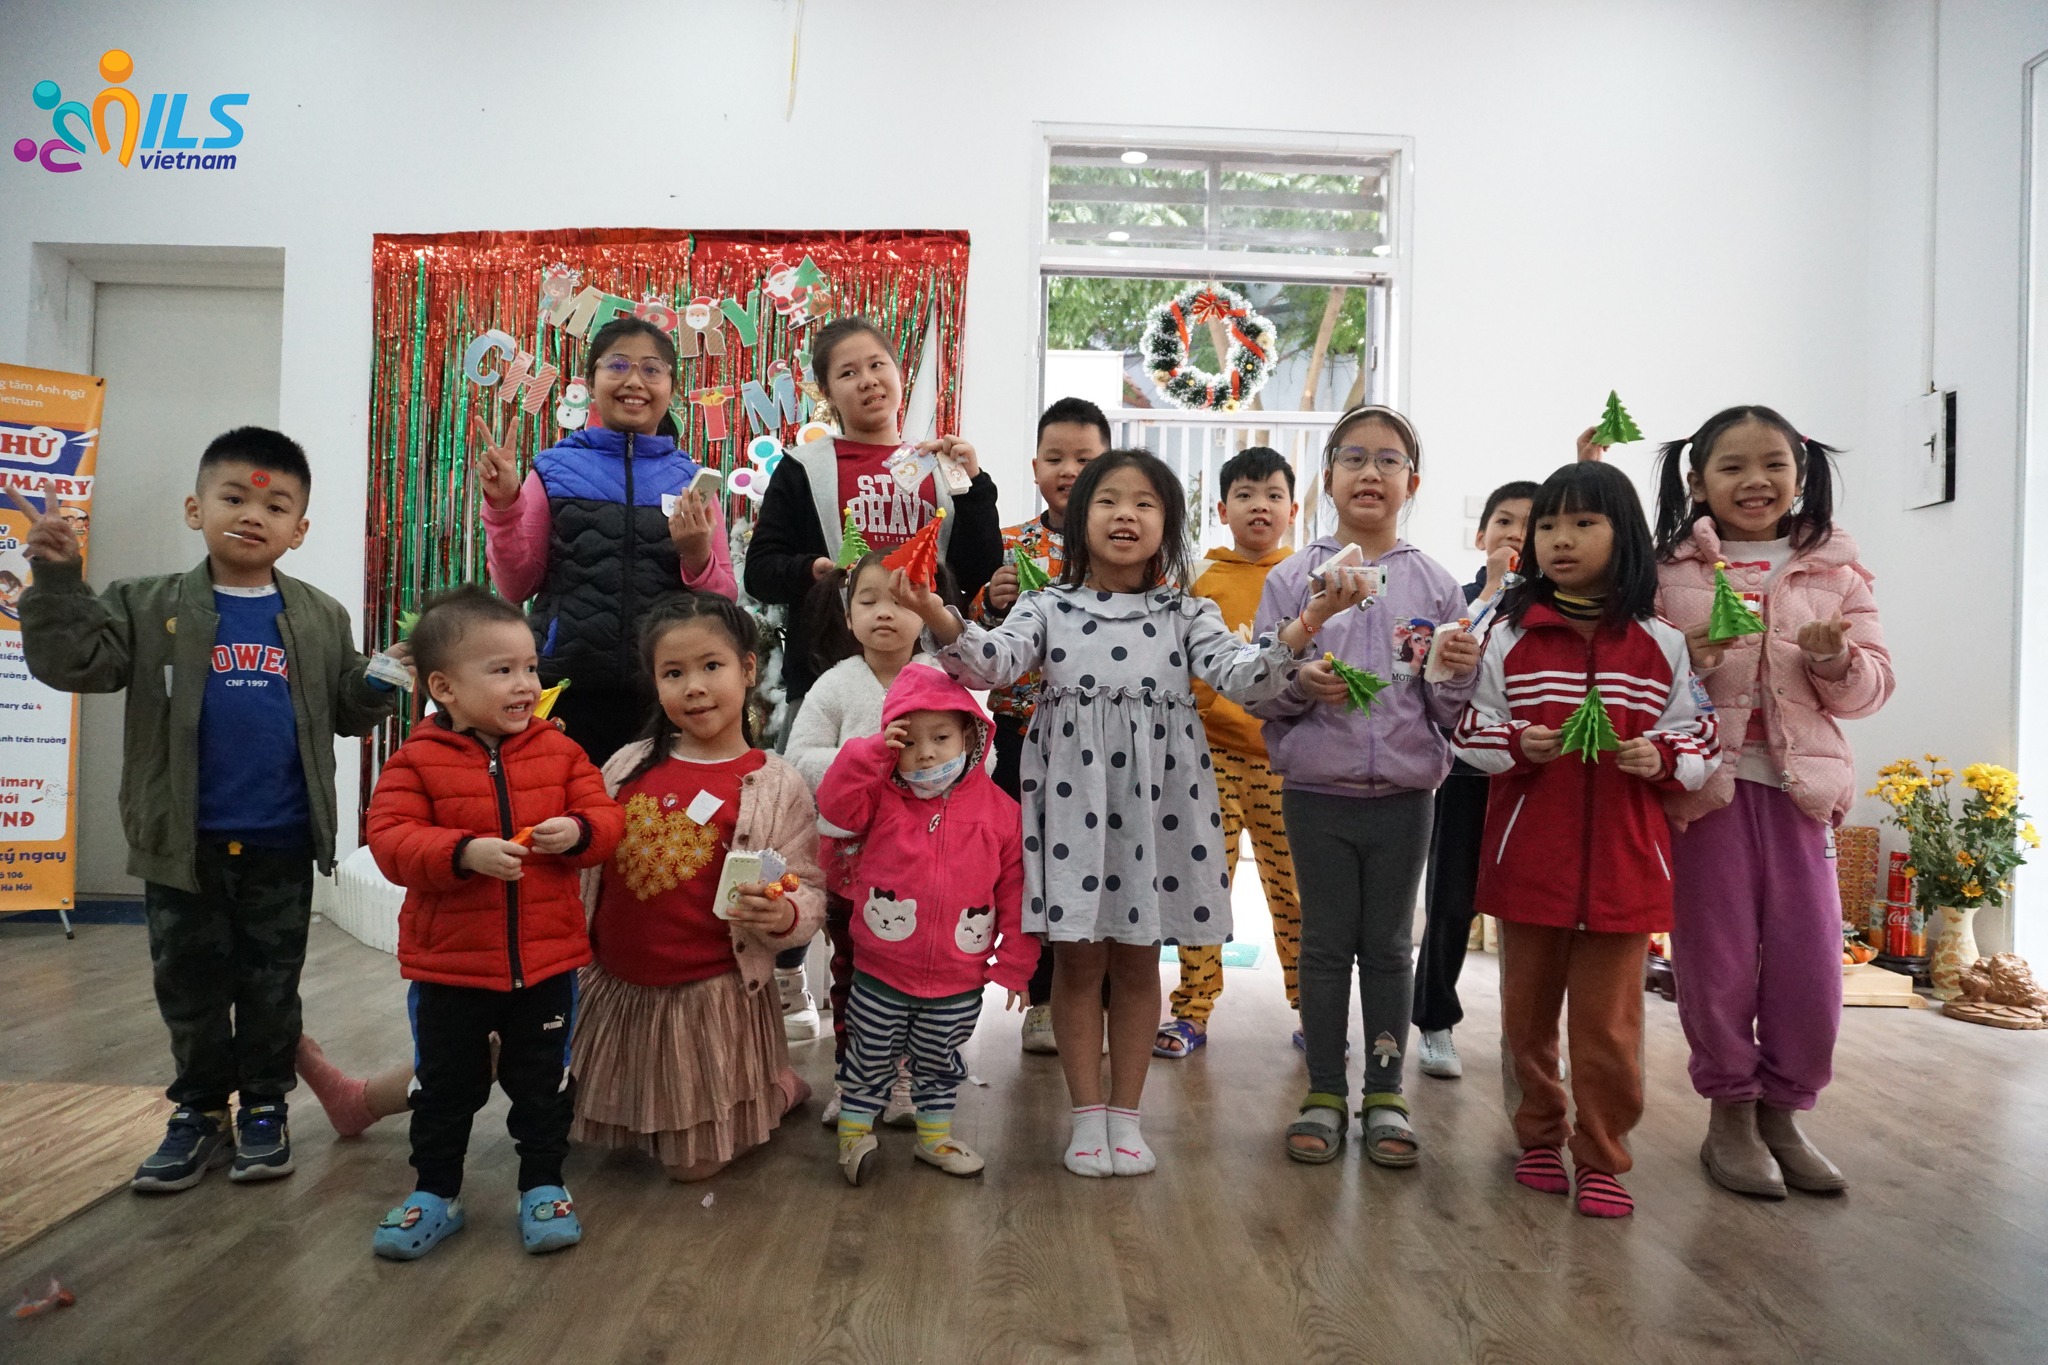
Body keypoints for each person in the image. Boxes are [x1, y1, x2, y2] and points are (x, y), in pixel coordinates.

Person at [897, 449, 1370, 1176]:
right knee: (1079, 961)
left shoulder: (1188, 612)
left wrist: (1311, 618)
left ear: (1168, 525)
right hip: (1073, 810)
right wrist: (938, 614)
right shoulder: (1048, 606)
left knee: (1141, 959)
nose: (1126, 514)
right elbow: (989, 664)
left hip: (1158, 813)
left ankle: (1126, 1115)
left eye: (1145, 502)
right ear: (1080, 521)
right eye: (1108, 500)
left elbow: (1247, 679)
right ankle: (1087, 1116)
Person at [18, 426, 401, 1192]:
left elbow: (347, 706)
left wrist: (383, 678)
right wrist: (58, 581)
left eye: (276, 505)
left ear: (299, 529)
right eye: (234, 497)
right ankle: (197, 1111)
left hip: (281, 843)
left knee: (271, 988)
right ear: (196, 509)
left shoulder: (319, 615)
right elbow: (77, 662)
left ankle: (264, 1106)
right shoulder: (145, 603)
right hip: (181, 846)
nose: (254, 514)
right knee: (189, 987)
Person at [1453, 461, 1719, 1218]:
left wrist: (1662, 756)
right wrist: (1516, 743)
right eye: (1547, 525)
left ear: (1623, 535)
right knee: (1526, 1021)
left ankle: (1602, 1154)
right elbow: (1467, 730)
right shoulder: (1507, 636)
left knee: (1610, 1029)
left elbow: (1701, 737)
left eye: (1582, 523)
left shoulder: (1662, 643)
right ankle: (1538, 1137)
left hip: (1626, 870)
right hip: (1528, 866)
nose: (1560, 540)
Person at [1652, 406, 1893, 1198]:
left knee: (1810, 965)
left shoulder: (1837, 570)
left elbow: (1871, 689)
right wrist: (1686, 659)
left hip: (1802, 797)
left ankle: (1784, 1111)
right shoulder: (1667, 572)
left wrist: (1837, 661)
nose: (1755, 480)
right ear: (1698, 481)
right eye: (1732, 466)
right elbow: (1640, 684)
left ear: (1800, 472)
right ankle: (1730, 1110)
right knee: (1714, 962)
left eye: (1773, 464)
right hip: (1705, 794)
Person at [364, 586, 625, 1260]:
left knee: (543, 1084)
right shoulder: (415, 759)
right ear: (444, 687)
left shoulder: (560, 753)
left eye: (530, 667)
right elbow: (389, 839)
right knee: (443, 1087)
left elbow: (607, 818)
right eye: (502, 670)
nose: (525, 684)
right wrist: (461, 852)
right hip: (449, 967)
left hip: (546, 963)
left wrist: (580, 830)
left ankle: (543, 1183)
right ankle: (435, 1192)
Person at [1252, 406, 1481, 1170]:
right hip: (1316, 792)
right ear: (1328, 478)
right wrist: (1301, 683)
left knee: (1388, 947)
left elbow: (1444, 709)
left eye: (1389, 459)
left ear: (1412, 482)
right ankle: (1324, 1089)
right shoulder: (1293, 578)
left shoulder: (1436, 585)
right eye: (1353, 457)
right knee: (1323, 945)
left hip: (1406, 799)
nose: (1371, 472)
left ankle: (1385, 1091)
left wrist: (1458, 672)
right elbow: (1261, 692)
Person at [571, 593, 826, 1183]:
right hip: (618, 986)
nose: (694, 687)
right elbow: (586, 861)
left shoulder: (776, 783)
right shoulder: (626, 764)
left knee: (694, 1168)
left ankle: (777, 1089)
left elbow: (808, 887)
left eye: (712, 666)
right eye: (673, 673)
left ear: (748, 669)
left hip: (710, 997)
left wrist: (785, 914)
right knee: (595, 1132)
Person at [477, 315, 737, 765]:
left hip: (665, 694)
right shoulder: (554, 470)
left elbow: (723, 599)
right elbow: (515, 586)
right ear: (590, 382)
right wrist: (503, 508)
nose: (634, 381)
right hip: (566, 687)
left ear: (671, 389)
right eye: (617, 365)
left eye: (651, 369)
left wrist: (697, 556)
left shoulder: (690, 480)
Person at [815, 664, 1034, 1184]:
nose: (927, 754)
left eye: (941, 738)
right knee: (868, 1056)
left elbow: (1017, 892)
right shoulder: (880, 797)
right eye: (909, 742)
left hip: (960, 977)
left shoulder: (1001, 812)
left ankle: (934, 1138)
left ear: (971, 738)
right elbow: (835, 807)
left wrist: (1016, 964)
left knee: (939, 1061)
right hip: (880, 971)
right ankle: (854, 1133)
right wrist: (871, 753)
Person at [741, 315, 1002, 711]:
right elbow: (760, 573)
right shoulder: (802, 468)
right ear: (826, 392)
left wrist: (975, 486)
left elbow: (980, 571)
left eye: (877, 364)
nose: (867, 380)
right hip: (826, 680)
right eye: (848, 373)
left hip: (929, 680)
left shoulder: (942, 468)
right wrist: (812, 570)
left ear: (899, 373)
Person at [1154, 446, 1305, 1059]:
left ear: (1293, 510)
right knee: (1202, 887)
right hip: (1209, 760)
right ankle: (1191, 1010)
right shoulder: (1200, 584)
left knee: (1294, 894)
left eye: (1273, 495)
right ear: (1222, 510)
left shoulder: (1306, 580)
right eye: (1245, 495)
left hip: (1285, 763)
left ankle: (1314, 1010)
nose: (1259, 506)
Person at [969, 397, 1109, 1053]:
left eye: (1085, 458)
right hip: (1022, 732)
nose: (1069, 470)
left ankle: (1101, 997)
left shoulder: (1125, 544)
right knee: (1032, 867)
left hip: (1104, 740)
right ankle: (1044, 999)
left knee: (1099, 865)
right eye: (1055, 458)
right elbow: (977, 633)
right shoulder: (1012, 542)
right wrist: (991, 603)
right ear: (1034, 468)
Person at [783, 550, 944, 1107]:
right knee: (853, 971)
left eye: (900, 600)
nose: (884, 612)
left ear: (926, 610)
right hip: (851, 858)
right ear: (848, 616)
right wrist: (868, 756)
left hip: (925, 858)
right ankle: (854, 1079)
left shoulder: (940, 679)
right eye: (868, 600)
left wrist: (928, 763)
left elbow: (982, 756)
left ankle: (907, 1076)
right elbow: (799, 758)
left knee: (918, 973)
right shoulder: (835, 684)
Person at [1412, 478, 1539, 1080]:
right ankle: (1435, 1022)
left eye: (1532, 524)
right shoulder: (1460, 599)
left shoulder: (1558, 608)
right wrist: (1492, 590)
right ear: (1481, 534)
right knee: (1451, 901)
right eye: (1505, 521)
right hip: (1464, 771)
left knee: (1532, 909)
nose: (1517, 533)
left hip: (1534, 773)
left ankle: (1529, 1034)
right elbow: (1436, 673)